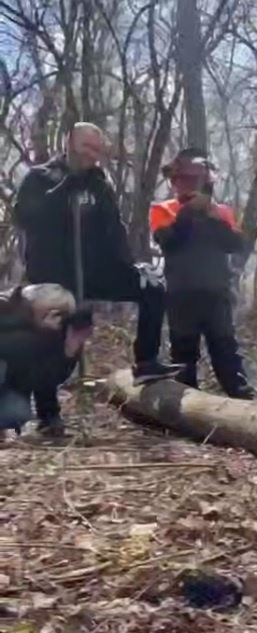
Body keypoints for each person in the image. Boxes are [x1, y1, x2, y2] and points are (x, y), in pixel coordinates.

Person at [13, 122, 180, 436]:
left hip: (95, 271)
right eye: (86, 148)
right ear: (69, 144)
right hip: (53, 276)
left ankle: (145, 363)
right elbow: (25, 217)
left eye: (97, 150)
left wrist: (130, 267)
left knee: (153, 287)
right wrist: (66, 188)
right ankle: (49, 417)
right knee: (57, 340)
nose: (92, 156)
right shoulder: (40, 177)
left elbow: (113, 229)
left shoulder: (99, 183)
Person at [150, 148, 255, 399]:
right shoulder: (163, 209)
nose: (182, 185)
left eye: (189, 180)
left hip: (216, 291)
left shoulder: (221, 211)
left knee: (225, 347)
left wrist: (211, 217)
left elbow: (235, 243)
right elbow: (167, 241)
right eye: (179, 180)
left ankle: (243, 399)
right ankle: (184, 404)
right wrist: (187, 214)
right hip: (181, 292)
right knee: (184, 352)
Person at [0, 284, 95, 438]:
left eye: (65, 314)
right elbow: (13, 347)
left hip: (10, 388)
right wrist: (40, 335)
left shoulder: (47, 333)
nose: (60, 318)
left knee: (17, 412)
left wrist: (68, 352)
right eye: (56, 312)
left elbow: (44, 380)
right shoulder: (5, 309)